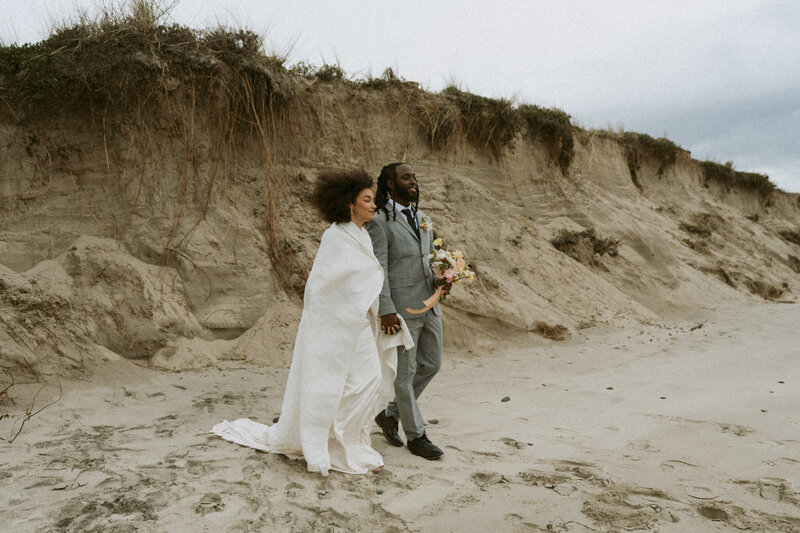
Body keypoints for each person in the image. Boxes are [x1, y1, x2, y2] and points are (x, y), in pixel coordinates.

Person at [211, 169, 413, 476]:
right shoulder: (334, 236)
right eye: (367, 200)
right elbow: (320, 288)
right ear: (350, 204)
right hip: (334, 328)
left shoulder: (362, 236)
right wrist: (342, 314)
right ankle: (325, 442)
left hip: (358, 325)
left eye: (374, 200)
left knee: (368, 382)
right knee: (334, 386)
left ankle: (348, 439)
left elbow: (366, 280)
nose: (374, 205)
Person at [366, 162, 447, 460]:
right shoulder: (380, 221)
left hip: (430, 305)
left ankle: (389, 415)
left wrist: (443, 280)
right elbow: (380, 268)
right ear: (390, 183)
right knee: (405, 372)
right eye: (406, 177)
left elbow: (429, 260)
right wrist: (385, 308)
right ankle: (417, 436)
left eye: (414, 176)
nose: (413, 181)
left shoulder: (424, 218)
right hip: (400, 309)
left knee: (432, 363)